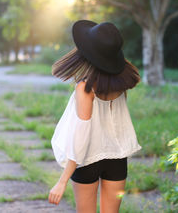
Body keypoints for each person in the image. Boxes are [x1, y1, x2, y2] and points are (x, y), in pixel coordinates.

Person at [48, 20, 142, 213]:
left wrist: (62, 180)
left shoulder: (86, 88)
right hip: (117, 159)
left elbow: (81, 138)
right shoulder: (120, 85)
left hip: (87, 161)